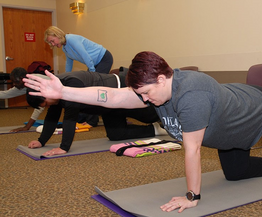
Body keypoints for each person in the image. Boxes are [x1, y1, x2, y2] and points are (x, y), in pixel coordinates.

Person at [24, 51, 262, 213]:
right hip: (228, 128)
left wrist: (193, 196)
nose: (145, 99)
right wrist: (64, 92)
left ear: (163, 79)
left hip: (254, 109)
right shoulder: (155, 87)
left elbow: (192, 150)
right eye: (142, 93)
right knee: (235, 174)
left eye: (148, 92)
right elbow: (111, 97)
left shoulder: (192, 97)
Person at [26, 68, 165, 157]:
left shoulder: (70, 83)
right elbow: (52, 116)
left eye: (45, 103)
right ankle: (156, 129)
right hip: (107, 107)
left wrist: (64, 148)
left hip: (122, 90)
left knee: (151, 115)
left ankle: (170, 119)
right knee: (116, 135)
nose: (47, 106)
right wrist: (41, 141)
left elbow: (70, 118)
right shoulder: (55, 95)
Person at [44, 25, 114, 126]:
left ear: (57, 35)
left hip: (104, 58)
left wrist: (93, 73)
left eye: (52, 41)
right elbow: (69, 63)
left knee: (95, 88)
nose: (52, 44)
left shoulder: (71, 39)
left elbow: (85, 55)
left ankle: (92, 121)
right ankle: (82, 118)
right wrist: (65, 78)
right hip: (94, 63)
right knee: (87, 88)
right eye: (50, 43)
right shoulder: (65, 48)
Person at [0, 67, 46, 132]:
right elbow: (6, 94)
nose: (14, 84)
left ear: (22, 79)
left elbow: (40, 106)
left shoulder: (35, 82)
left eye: (15, 81)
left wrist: (27, 127)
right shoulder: (23, 85)